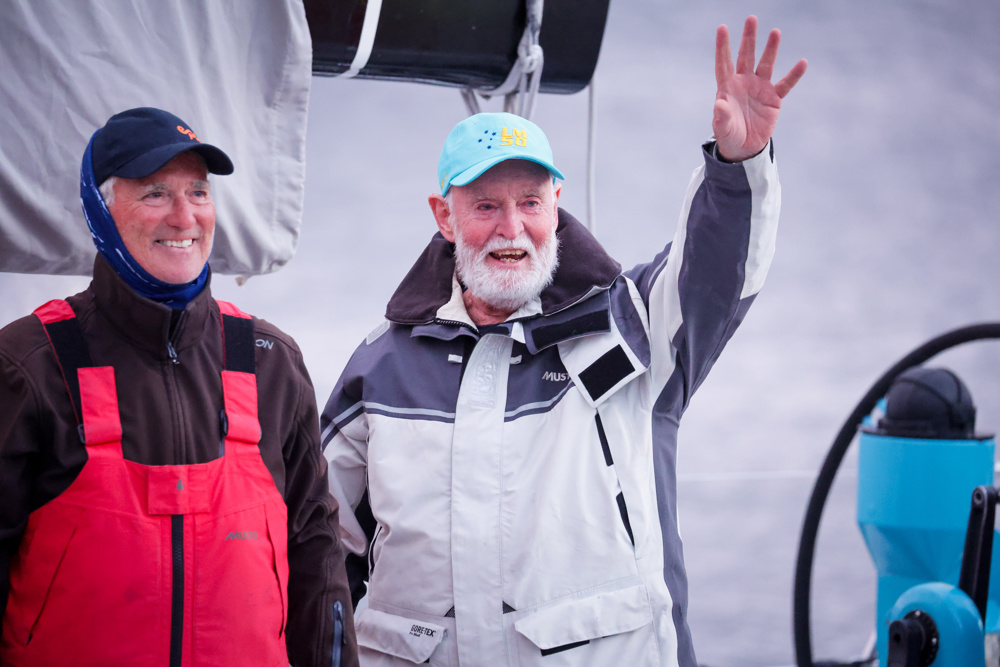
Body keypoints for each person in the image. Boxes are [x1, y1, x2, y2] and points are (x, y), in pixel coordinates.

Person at [322, 16, 806, 667]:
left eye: (529, 202)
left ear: (556, 202)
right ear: (444, 217)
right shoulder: (380, 365)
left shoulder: (633, 324)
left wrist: (737, 166)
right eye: (485, 206)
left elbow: (718, 274)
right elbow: (319, 551)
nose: (511, 228)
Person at [0, 107, 359, 666]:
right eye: (155, 194)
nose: (184, 216)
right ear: (100, 210)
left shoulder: (271, 362)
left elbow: (317, 554)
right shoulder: (29, 364)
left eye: (198, 192)